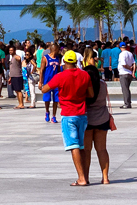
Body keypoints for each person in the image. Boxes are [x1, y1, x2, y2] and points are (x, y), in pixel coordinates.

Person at [41, 50, 93, 186]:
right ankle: (85, 176)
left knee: (73, 146)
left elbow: (44, 89)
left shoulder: (60, 76)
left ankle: (81, 178)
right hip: (82, 114)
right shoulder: (85, 74)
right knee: (82, 147)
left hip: (68, 114)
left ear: (64, 62)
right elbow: (91, 94)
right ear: (75, 62)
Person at [82, 48, 112, 184]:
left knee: (86, 150)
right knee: (102, 149)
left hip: (87, 119)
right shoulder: (103, 84)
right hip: (102, 118)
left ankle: (86, 177)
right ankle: (105, 177)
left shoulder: (84, 86)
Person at [40, 43, 62, 123]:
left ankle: (54, 115)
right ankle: (47, 111)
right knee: (47, 99)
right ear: (54, 49)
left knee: (56, 99)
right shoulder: (45, 58)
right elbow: (41, 71)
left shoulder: (57, 58)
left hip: (56, 81)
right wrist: (40, 81)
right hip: (47, 81)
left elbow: (59, 70)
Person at [117, 42, 136, 109]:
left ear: (120, 47)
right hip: (129, 73)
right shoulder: (130, 53)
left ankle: (127, 103)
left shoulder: (122, 54)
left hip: (123, 73)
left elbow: (123, 64)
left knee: (125, 89)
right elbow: (134, 63)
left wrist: (129, 68)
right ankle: (128, 102)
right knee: (127, 88)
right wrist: (133, 71)